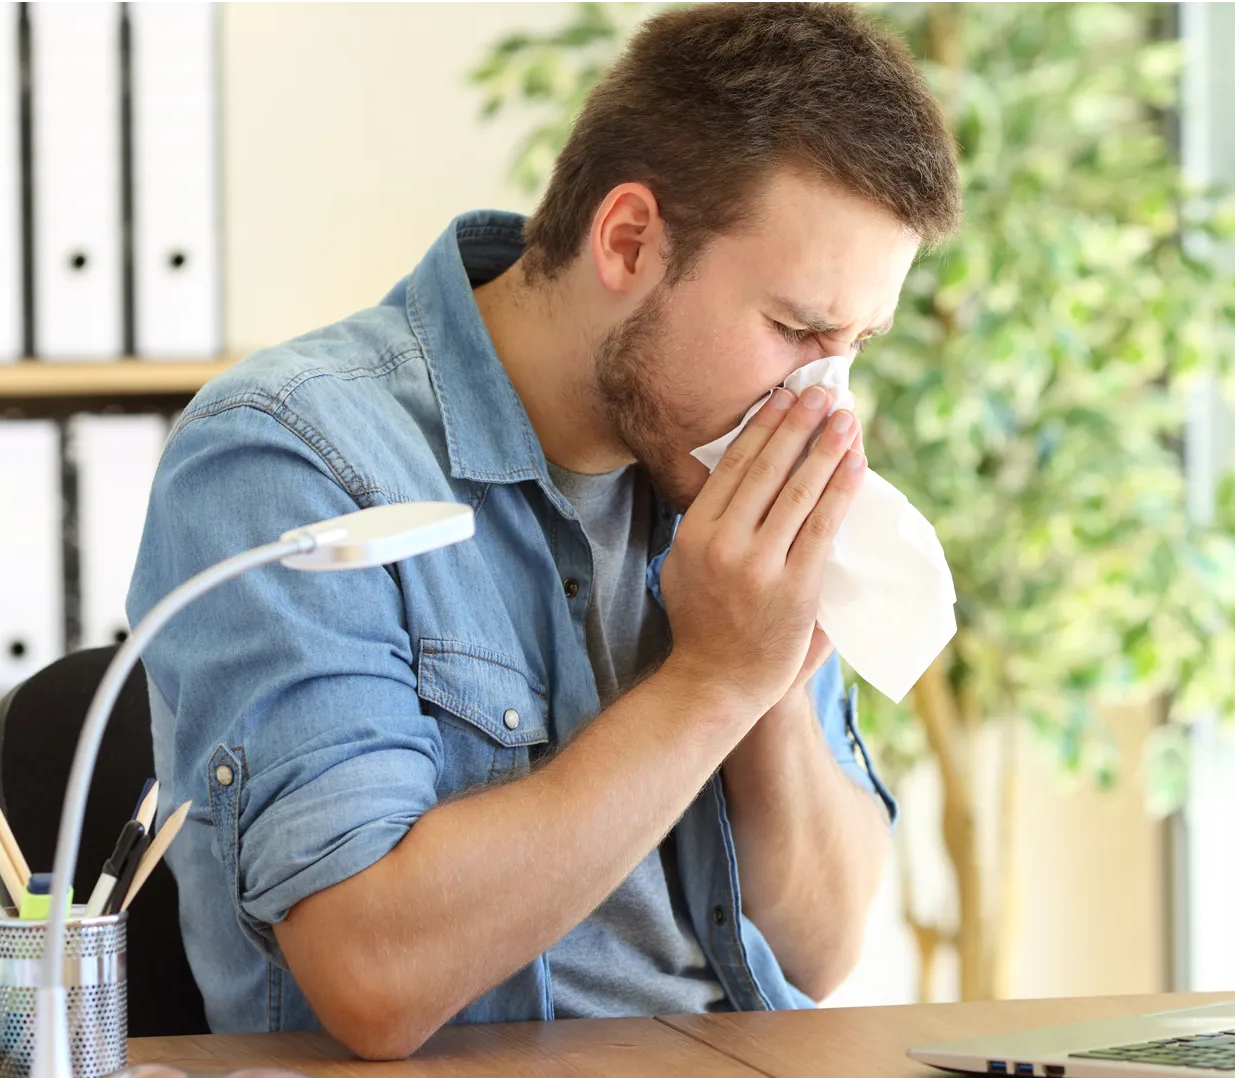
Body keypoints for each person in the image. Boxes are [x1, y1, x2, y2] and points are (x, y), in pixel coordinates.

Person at [127, 2, 960, 1059]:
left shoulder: (721, 471)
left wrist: (772, 685)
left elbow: (820, 948)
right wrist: (711, 682)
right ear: (628, 241)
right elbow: (372, 977)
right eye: (797, 329)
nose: (824, 397)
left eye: (855, 346)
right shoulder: (290, 455)